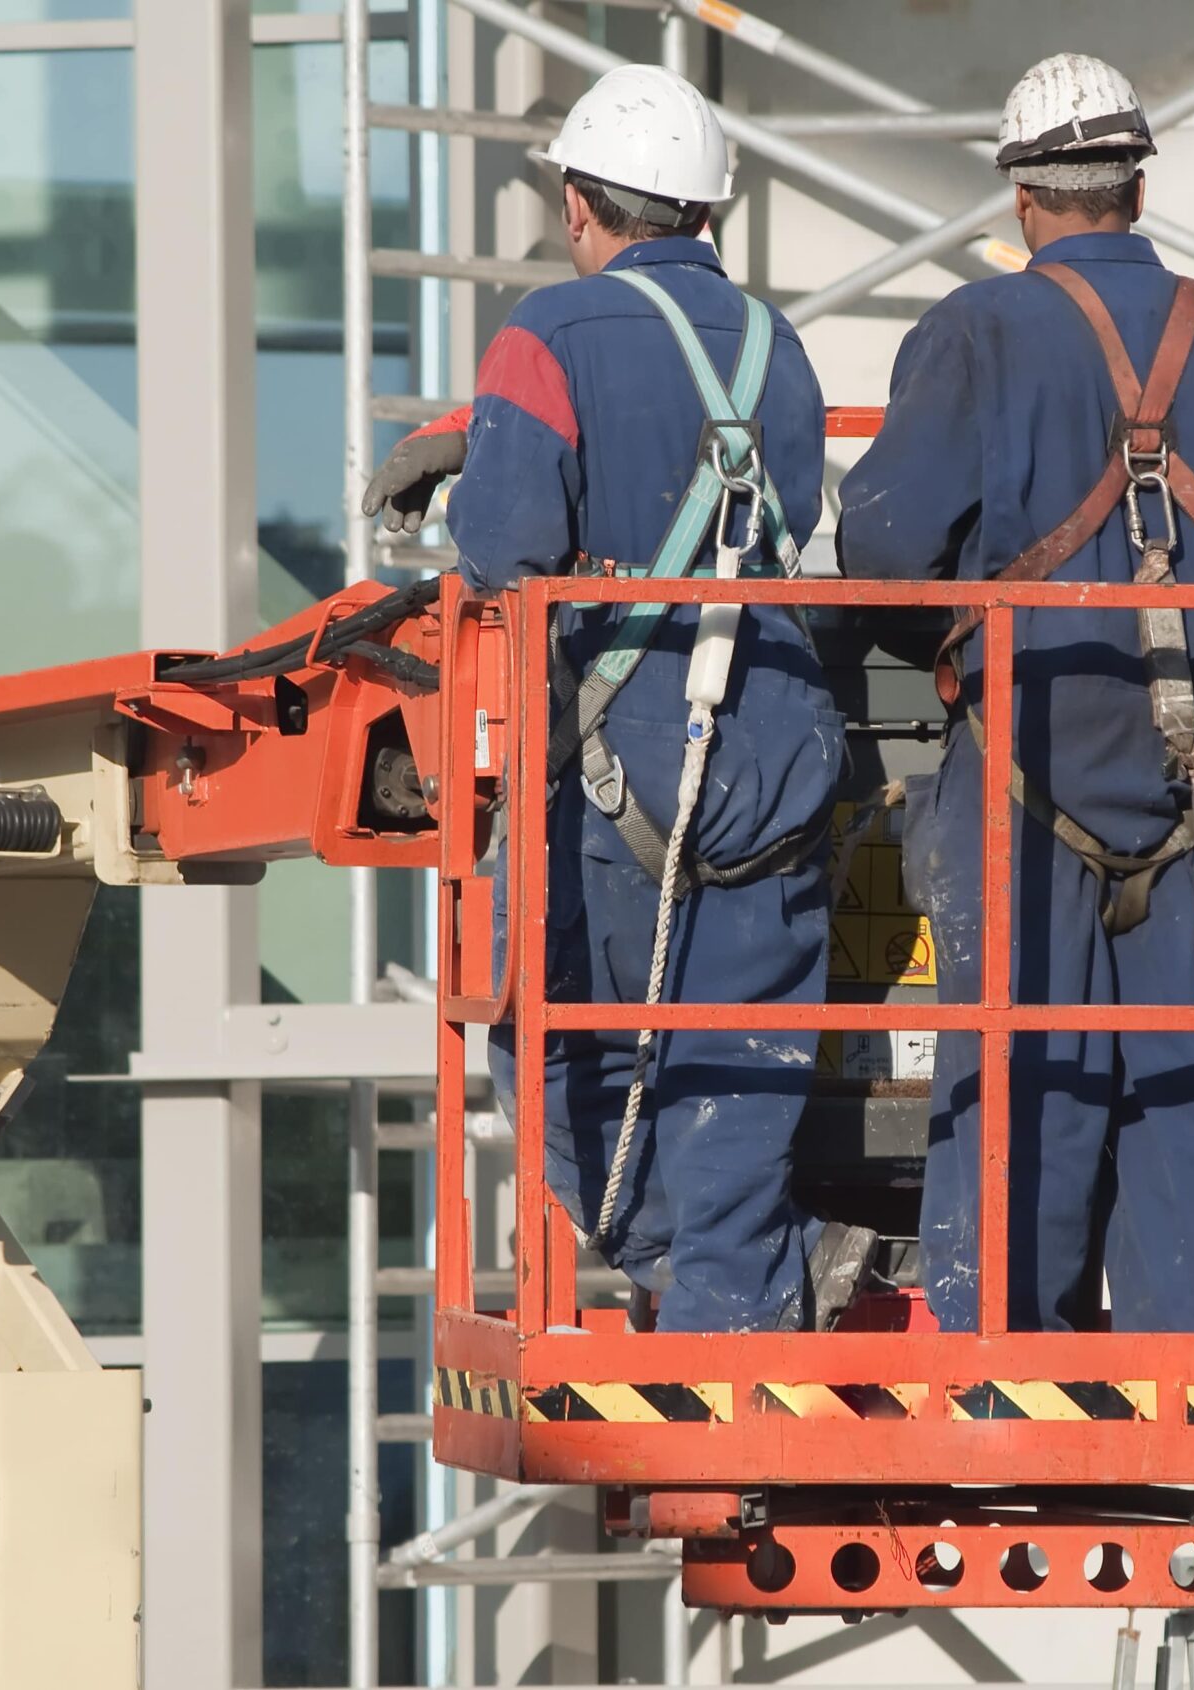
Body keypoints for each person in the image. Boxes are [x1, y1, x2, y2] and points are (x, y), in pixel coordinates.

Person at [361, 64, 871, 1334]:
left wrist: (489, 438)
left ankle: (700, 1281)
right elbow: (785, 507)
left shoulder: (545, 333)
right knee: (745, 1052)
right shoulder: (778, 342)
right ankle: (742, 1298)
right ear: (706, 215)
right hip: (775, 729)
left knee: (549, 1038)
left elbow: (508, 550)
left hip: (621, 749)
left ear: (584, 206)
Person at [834, 52, 1194, 1335]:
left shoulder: (977, 331)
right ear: (1134, 182)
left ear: (1022, 195)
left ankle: (1005, 1368)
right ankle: (1188, 1375)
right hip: (1189, 785)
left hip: (1024, 770)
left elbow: (884, 545)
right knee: (1181, 1081)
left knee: (1018, 1071)